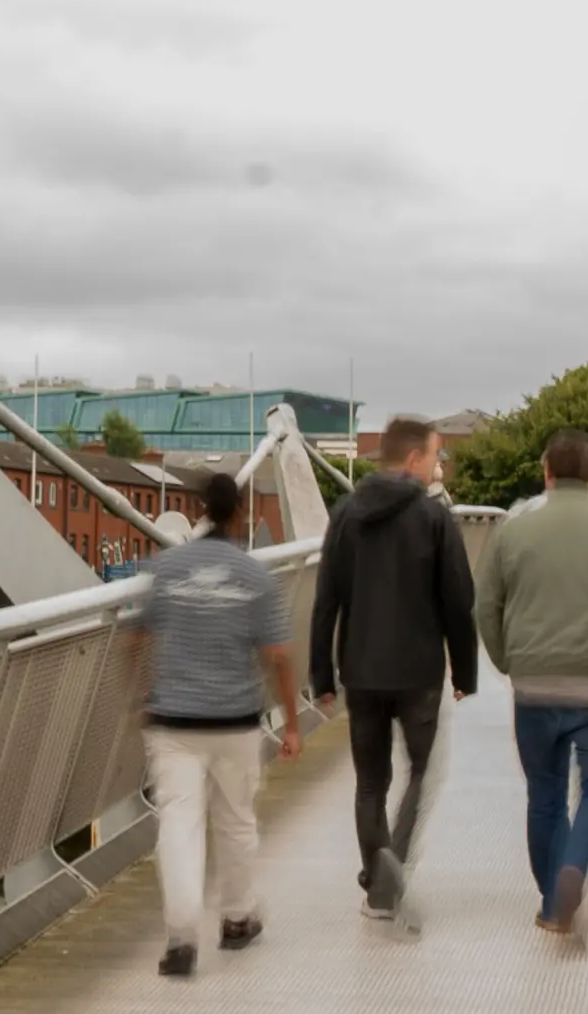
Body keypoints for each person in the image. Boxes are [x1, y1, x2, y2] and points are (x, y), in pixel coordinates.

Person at [474, 425, 588, 934]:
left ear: (545, 471)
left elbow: (485, 606)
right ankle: (576, 863)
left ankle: (553, 898)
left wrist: (509, 661)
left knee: (545, 792)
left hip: (534, 684)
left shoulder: (511, 528)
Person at [129, 473, 303, 978]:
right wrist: (292, 722)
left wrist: (137, 696)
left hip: (174, 719)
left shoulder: (167, 568)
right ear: (239, 513)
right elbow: (277, 656)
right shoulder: (254, 575)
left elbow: (137, 638)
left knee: (180, 823)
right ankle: (236, 918)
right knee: (236, 821)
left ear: (199, 509)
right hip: (235, 719)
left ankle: (182, 937)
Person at [310, 415, 478, 917]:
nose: (437, 465)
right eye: (434, 456)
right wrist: (464, 671)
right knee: (422, 770)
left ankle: (377, 880)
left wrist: (322, 675)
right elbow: (458, 600)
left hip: (361, 670)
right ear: (412, 460)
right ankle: (393, 863)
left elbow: (325, 602)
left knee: (369, 784)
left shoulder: (344, 514)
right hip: (419, 671)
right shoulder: (434, 518)